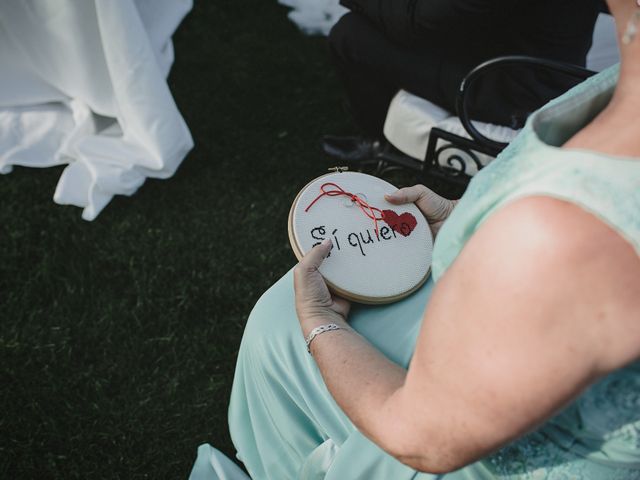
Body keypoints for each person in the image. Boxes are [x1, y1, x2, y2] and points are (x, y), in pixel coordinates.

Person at [227, 1, 640, 478]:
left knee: (281, 325)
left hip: (491, 442)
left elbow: (421, 439)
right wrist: (465, 215)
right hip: (526, 310)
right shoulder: (620, 84)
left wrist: (322, 326)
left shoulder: (567, 232)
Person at [321, 0, 604, 161]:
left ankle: (380, 144)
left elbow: (413, 25)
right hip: (538, 58)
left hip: (512, 87)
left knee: (351, 35)